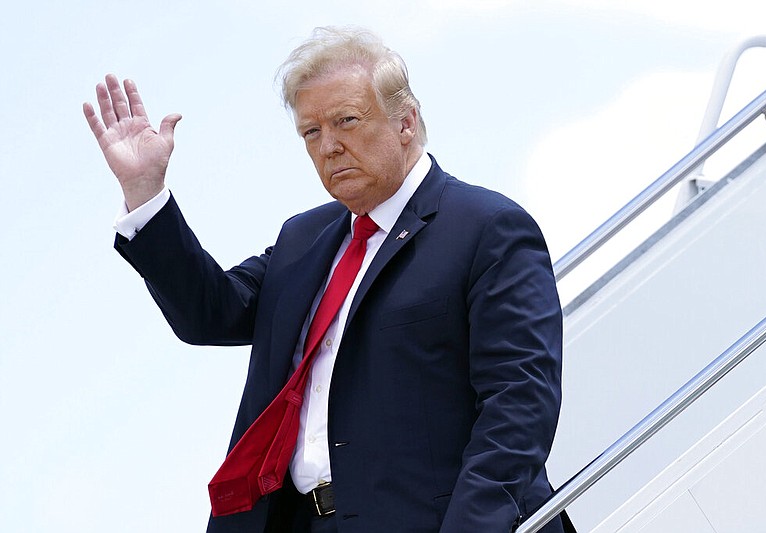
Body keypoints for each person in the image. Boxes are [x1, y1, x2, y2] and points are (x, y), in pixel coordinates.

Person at [84, 26, 572, 533]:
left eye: (346, 121)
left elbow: (519, 404)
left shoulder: (486, 227)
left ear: (405, 122)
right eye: (311, 132)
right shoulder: (305, 238)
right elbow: (212, 313)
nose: (329, 146)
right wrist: (146, 193)